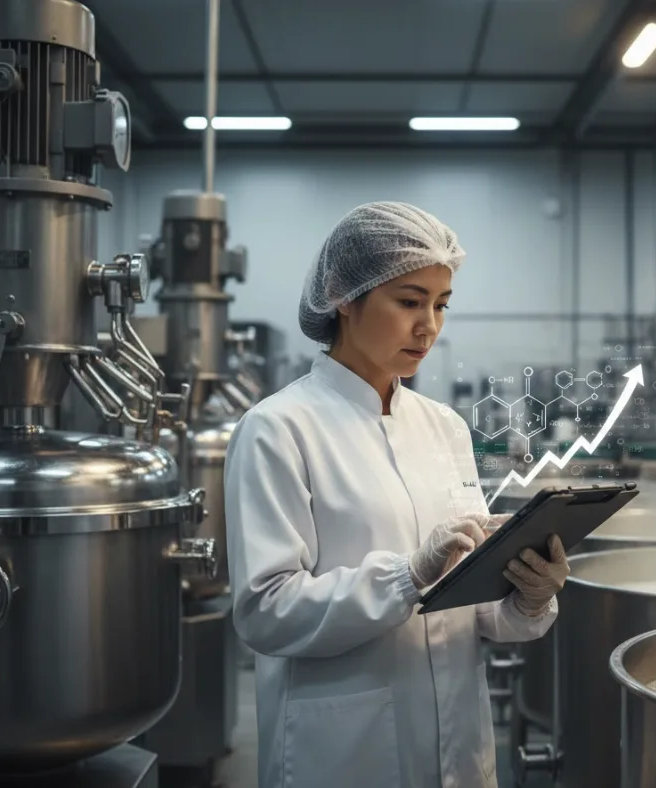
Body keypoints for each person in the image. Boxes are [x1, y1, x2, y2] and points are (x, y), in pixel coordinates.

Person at [224, 202, 570, 788]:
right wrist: (406, 576)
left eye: (440, 304)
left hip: (458, 745)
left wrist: (524, 597)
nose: (429, 325)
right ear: (343, 295)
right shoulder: (278, 429)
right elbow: (265, 613)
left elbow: (468, 605)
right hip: (344, 750)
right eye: (409, 301)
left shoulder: (445, 427)